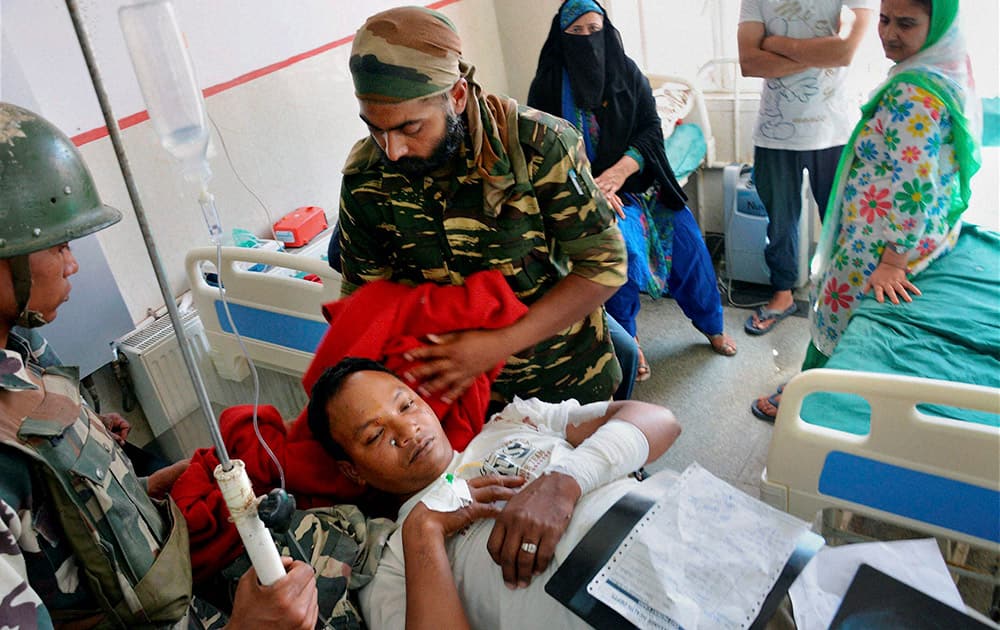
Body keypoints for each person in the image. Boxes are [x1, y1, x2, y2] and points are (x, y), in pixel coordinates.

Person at [0, 102, 318, 629]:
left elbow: (58, 530)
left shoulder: (23, 350)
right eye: (58, 246)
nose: (73, 263)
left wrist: (134, 495)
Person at [336, 6, 629, 410]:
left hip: (565, 382)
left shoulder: (539, 146)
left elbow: (604, 267)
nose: (393, 150)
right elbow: (362, 300)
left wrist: (496, 346)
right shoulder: (365, 176)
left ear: (456, 96)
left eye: (410, 127)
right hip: (454, 401)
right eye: (375, 127)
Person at [306, 357, 682, 629]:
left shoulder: (513, 421)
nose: (407, 431)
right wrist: (424, 530)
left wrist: (566, 482)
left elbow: (660, 420)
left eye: (406, 405)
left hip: (683, 542)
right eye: (374, 435)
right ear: (351, 470)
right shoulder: (394, 559)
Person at [752, 0, 981, 420]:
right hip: (915, 230)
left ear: (938, 25)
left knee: (834, 311)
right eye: (885, 19)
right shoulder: (941, 69)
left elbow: (915, 187)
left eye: (907, 23)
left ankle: (810, 391)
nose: (889, 33)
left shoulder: (914, 94)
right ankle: (813, 383)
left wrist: (893, 259)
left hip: (879, 241)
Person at [528, 0, 738, 380]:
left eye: (595, 30)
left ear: (607, 31)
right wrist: (590, 187)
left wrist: (622, 170)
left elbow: (651, 130)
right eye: (576, 32)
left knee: (688, 243)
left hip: (640, 182)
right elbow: (542, 149)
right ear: (561, 37)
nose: (587, 40)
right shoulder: (546, 85)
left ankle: (712, 325)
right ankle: (630, 341)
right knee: (615, 250)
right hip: (583, 189)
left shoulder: (627, 73)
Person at [738, 0, 877, 334]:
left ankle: (841, 299)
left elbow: (844, 53)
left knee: (841, 222)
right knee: (780, 224)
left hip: (834, 130)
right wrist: (817, 53)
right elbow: (749, 62)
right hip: (774, 133)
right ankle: (782, 295)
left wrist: (776, 45)